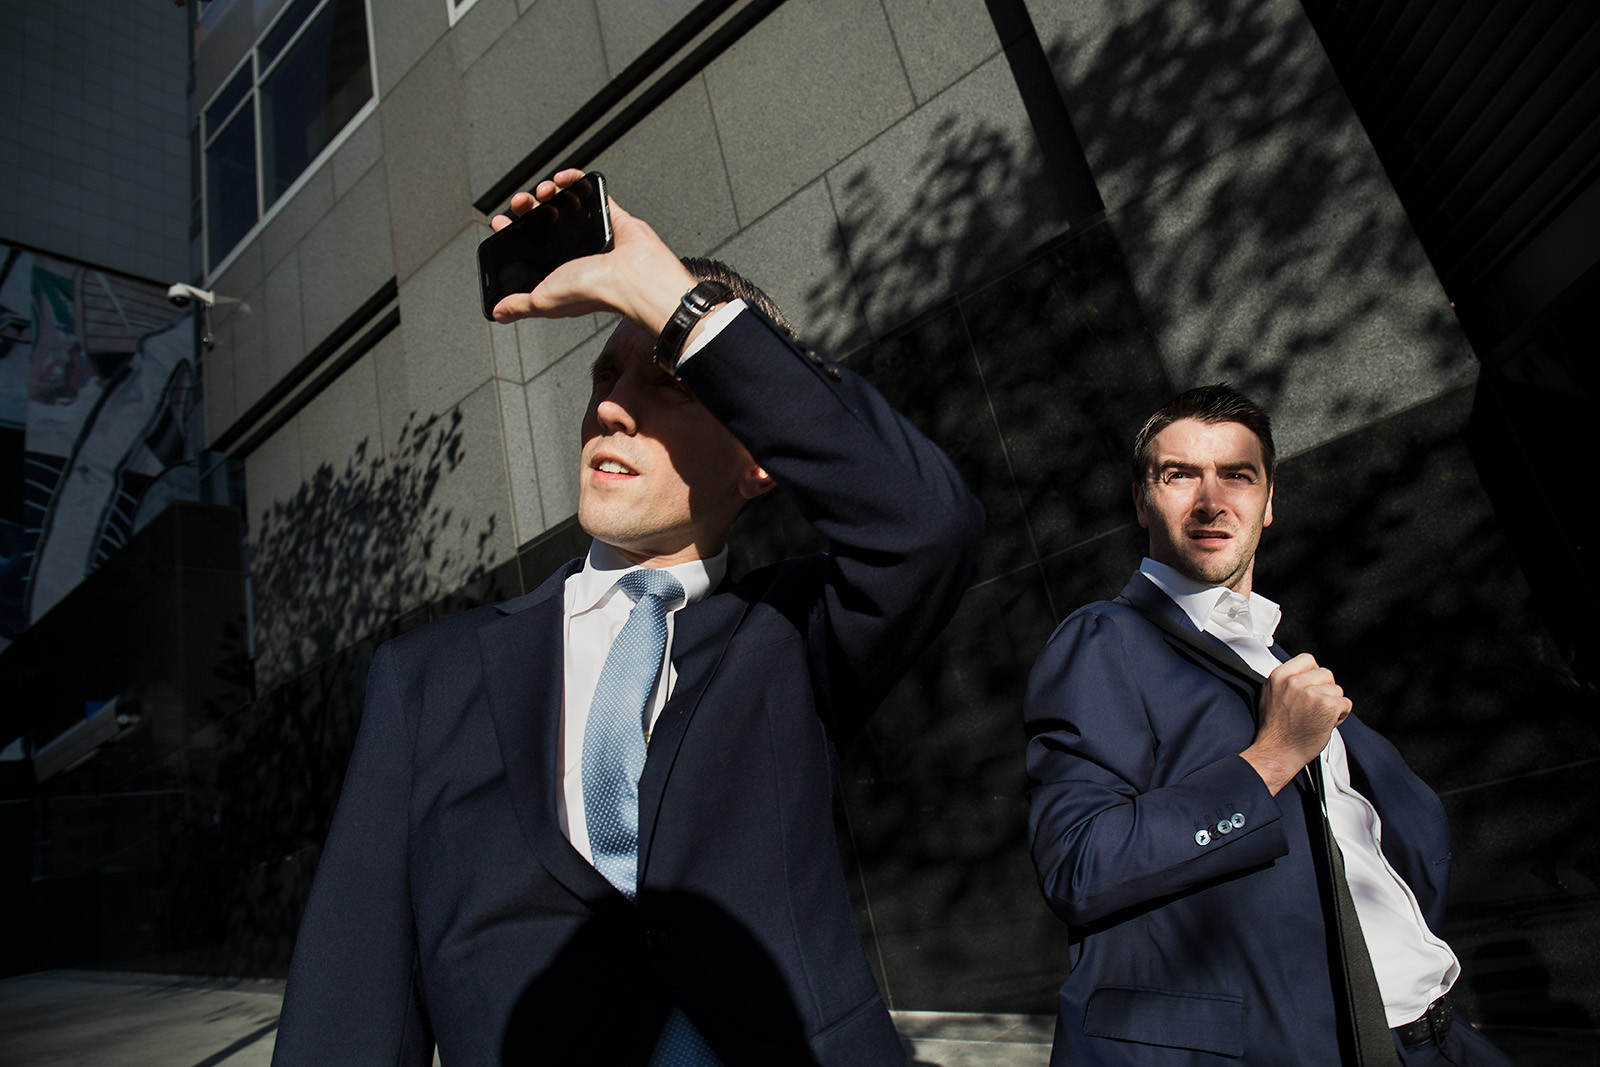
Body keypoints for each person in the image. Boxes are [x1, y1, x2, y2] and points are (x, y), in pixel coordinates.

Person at [271, 171, 984, 1066]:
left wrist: (673, 303)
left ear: (758, 458)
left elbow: (927, 526)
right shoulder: (426, 679)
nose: (609, 405)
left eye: (668, 381)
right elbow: (348, 1003)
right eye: (605, 376)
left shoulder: (792, 636)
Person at [1023, 384, 1511, 1066]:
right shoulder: (1105, 638)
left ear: (1268, 501)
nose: (1211, 501)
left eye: (1238, 475)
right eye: (1179, 475)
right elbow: (1080, 864)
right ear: (1140, 502)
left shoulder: (1271, 653)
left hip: (1440, 1033)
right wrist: (1271, 758)